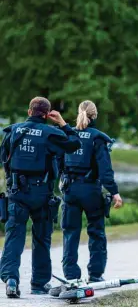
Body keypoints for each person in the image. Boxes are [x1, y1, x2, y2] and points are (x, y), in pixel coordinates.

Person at [0, 97, 81, 297]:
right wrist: (63, 123)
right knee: (42, 238)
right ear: (46, 115)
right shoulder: (51, 133)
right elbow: (75, 144)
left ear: (29, 112)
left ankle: (11, 279)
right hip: (41, 193)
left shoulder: (12, 131)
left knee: (14, 236)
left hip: (17, 192)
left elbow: (4, 159)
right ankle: (39, 283)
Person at [60, 101, 123, 282]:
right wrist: (115, 192)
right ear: (95, 115)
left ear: (78, 112)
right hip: (91, 191)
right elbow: (105, 171)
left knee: (70, 232)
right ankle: (95, 274)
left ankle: (71, 275)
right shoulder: (98, 138)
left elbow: (58, 160)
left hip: (69, 190)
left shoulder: (68, 134)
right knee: (96, 232)